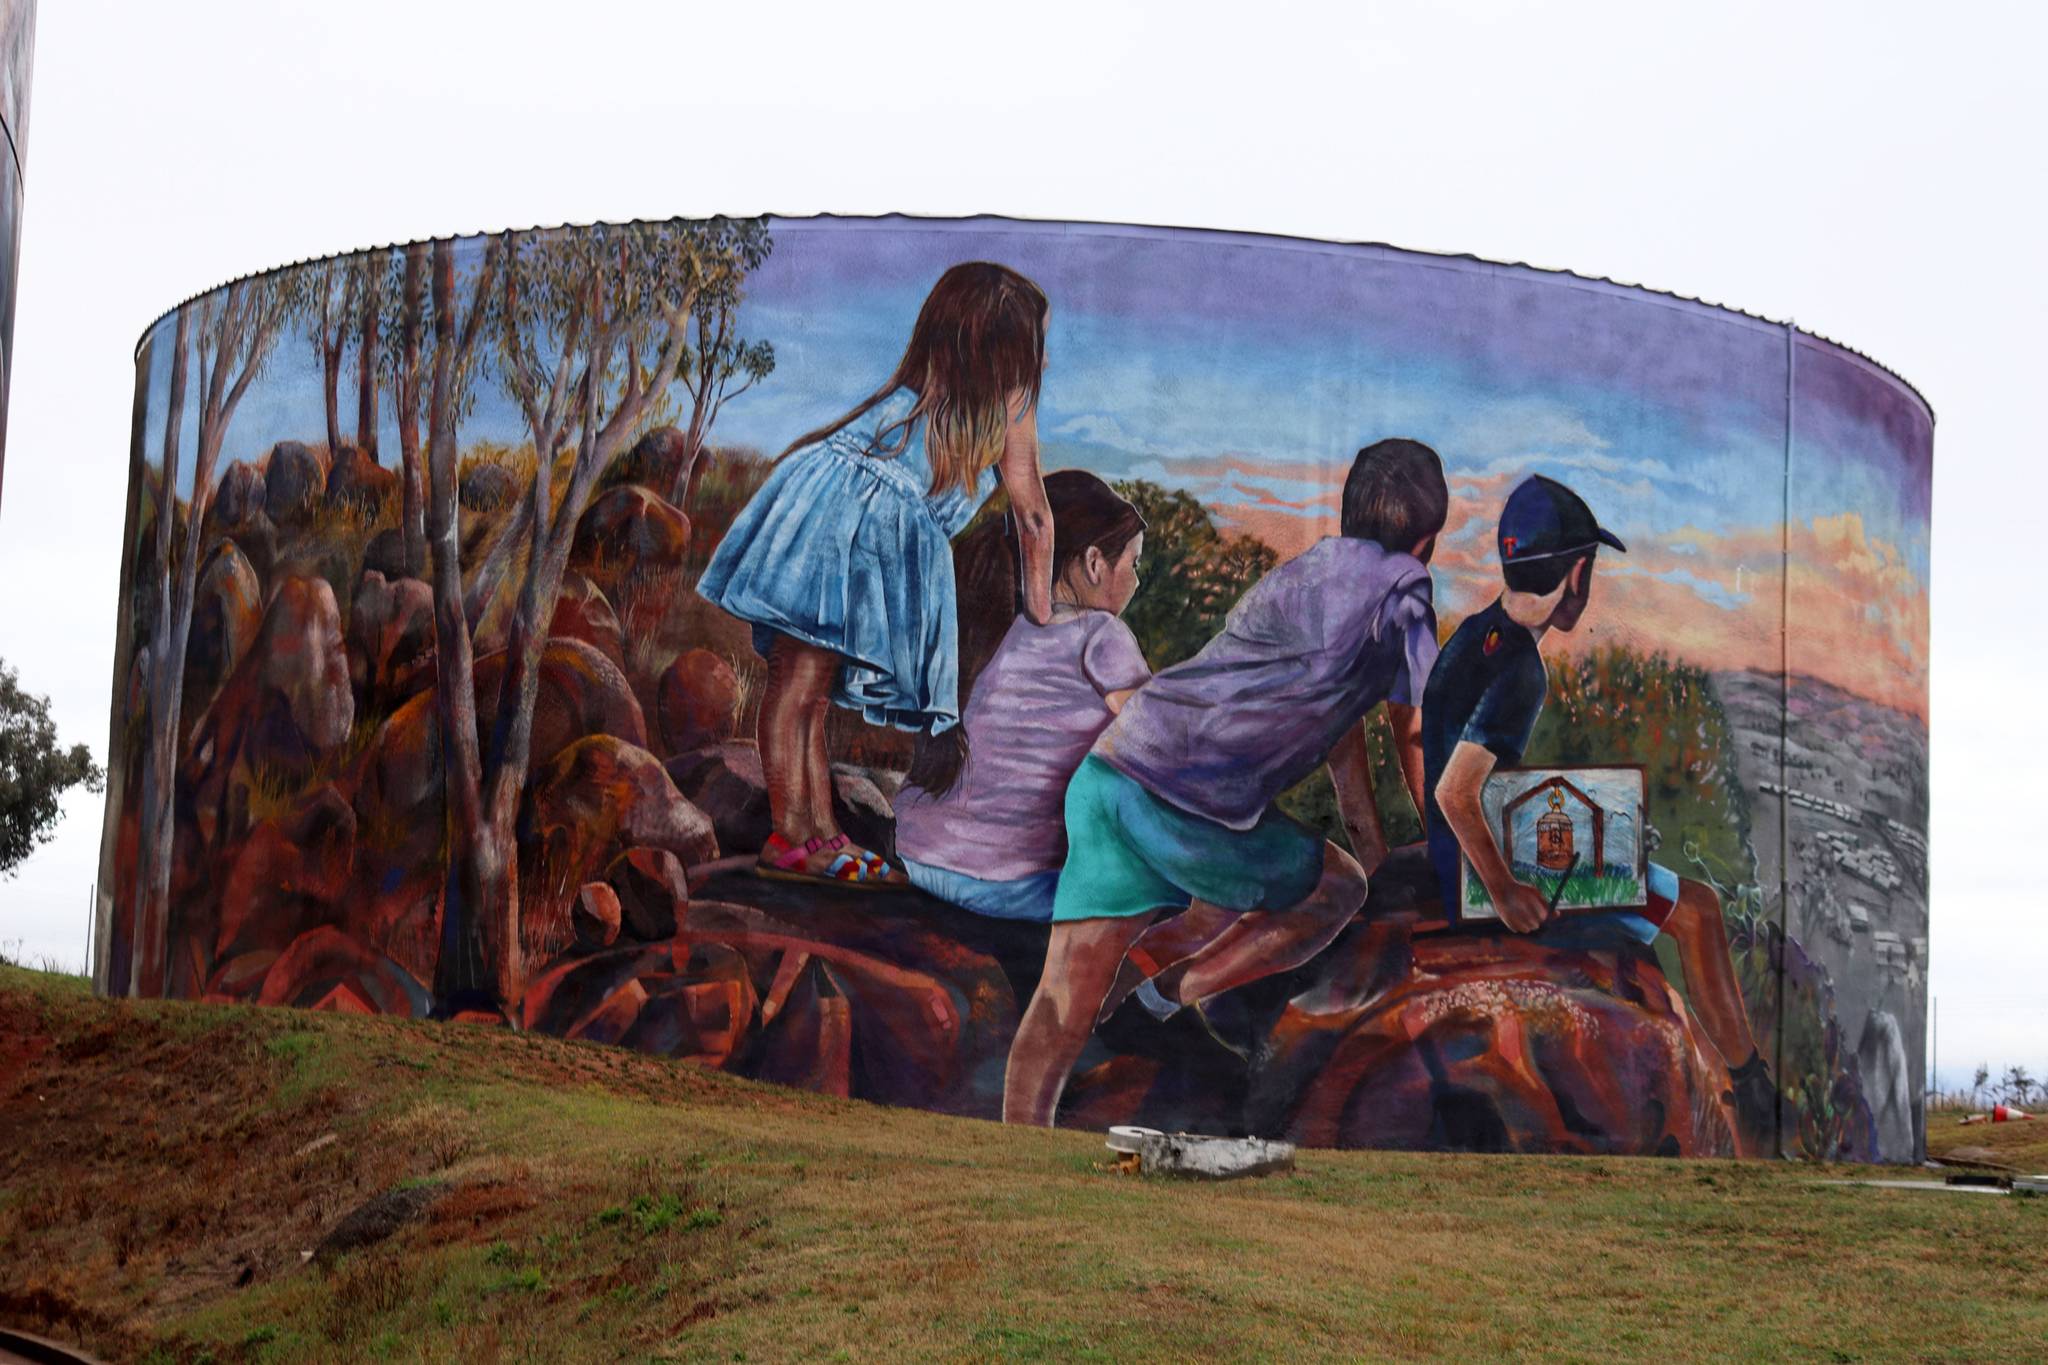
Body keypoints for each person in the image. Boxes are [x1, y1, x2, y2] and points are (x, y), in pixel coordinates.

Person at [1002, 438, 1449, 1127]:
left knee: (1066, 989)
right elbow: (1413, 731)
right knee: (1340, 887)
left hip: (1113, 770)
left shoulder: (1307, 573)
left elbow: (1346, 759)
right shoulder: (1407, 590)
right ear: (1427, 539)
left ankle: (1016, 1144)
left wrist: (1377, 843)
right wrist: (1443, 846)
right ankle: (1171, 995)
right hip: (1189, 813)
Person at [1421, 473, 1777, 1152]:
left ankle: (1733, 1079)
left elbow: (1445, 770)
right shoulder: (1522, 669)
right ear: (1577, 575)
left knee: (1627, 854)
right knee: (1698, 909)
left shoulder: (1474, 635)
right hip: (1481, 886)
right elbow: (1454, 792)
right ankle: (1752, 1086)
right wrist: (1505, 891)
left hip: (1458, 862)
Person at [696, 263, 1056, 888]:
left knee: (805, 685)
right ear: (1008, 350)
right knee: (801, 683)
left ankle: (816, 831)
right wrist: (1045, 614)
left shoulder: (932, 384)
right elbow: (1034, 517)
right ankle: (791, 837)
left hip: (831, 505)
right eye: (1037, 345)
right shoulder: (1008, 404)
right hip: (844, 519)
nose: (1044, 364)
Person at [894, 472, 1151, 921]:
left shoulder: (985, 624)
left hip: (917, 855)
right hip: (1011, 883)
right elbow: (1159, 744)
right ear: (1094, 562)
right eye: (1133, 563)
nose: (1136, 581)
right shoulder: (1102, 635)